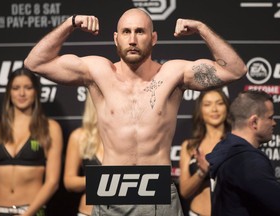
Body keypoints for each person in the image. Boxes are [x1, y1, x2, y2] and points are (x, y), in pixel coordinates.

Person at [24, 8, 247, 216]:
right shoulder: (98, 72)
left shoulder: (172, 74)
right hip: (110, 190)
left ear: (153, 38)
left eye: (140, 32)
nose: (132, 39)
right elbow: (35, 63)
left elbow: (235, 70)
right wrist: (70, 24)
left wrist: (201, 28)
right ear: (116, 38)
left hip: (157, 192)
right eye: (126, 32)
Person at [0, 68, 63, 216]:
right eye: (16, 88)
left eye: (28, 88)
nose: (22, 93)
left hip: (32, 211)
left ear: (36, 91)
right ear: (9, 92)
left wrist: (27, 214)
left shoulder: (50, 128)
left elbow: (52, 182)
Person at [206, 90, 280, 216]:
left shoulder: (225, 150)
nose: (274, 123)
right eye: (270, 117)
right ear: (254, 122)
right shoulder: (248, 161)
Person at [179, 88, 230, 216]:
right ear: (200, 110)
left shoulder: (236, 144)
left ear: (227, 108)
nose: (214, 109)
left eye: (219, 103)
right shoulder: (189, 147)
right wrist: (202, 172)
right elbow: (184, 192)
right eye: (207, 104)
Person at [64, 90, 103, 216]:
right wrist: (101, 180)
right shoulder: (79, 137)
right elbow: (69, 181)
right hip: (88, 211)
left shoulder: (128, 137)